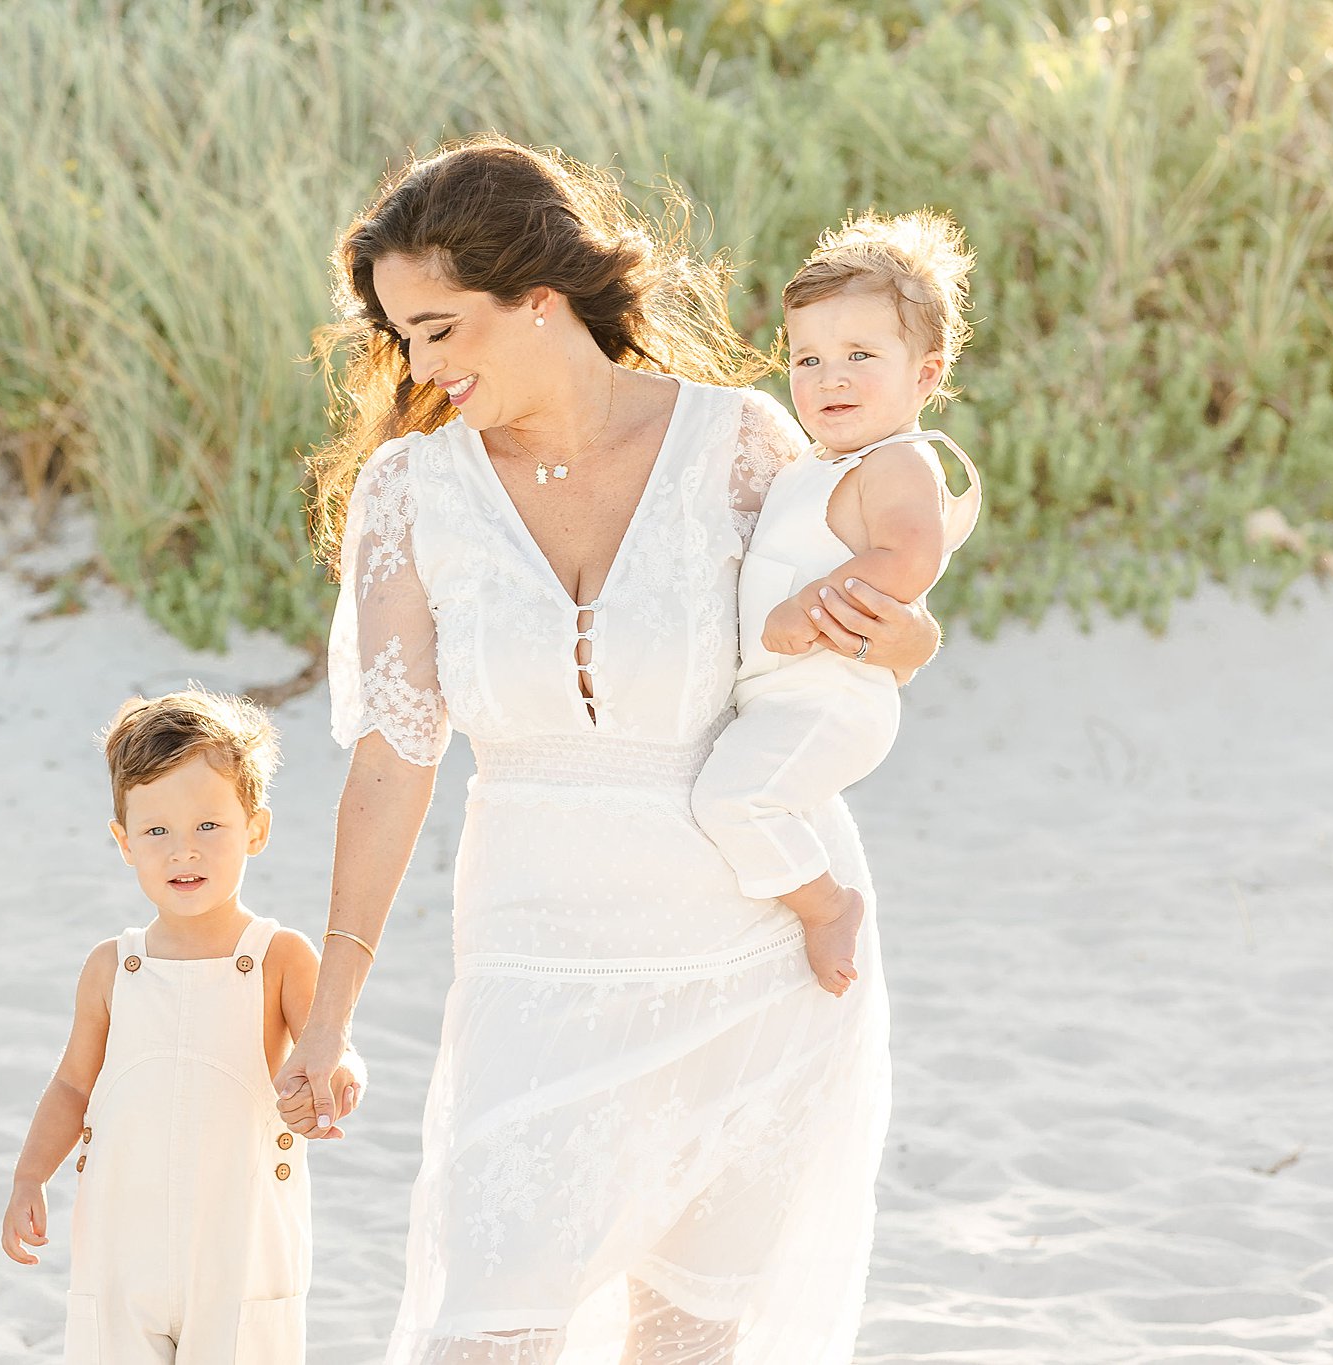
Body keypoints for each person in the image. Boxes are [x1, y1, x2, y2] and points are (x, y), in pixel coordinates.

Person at [273, 136, 943, 1364]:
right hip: (531, 971)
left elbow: (836, 652)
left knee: (687, 1342)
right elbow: (391, 764)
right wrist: (330, 1015)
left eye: (440, 328)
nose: (418, 366)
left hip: (754, 960)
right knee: (486, 1327)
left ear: (539, 300)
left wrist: (905, 642)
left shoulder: (740, 445)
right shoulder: (410, 492)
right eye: (400, 339)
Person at [1, 689, 364, 1364]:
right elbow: (72, 1086)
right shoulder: (112, 967)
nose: (182, 851)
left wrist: (337, 1078)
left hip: (240, 1254)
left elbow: (332, 1045)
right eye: (157, 831)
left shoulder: (277, 957)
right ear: (124, 841)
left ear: (255, 828)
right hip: (122, 1252)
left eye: (208, 826)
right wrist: (30, 1176)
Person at [692, 210, 983, 997]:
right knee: (737, 792)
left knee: (732, 797)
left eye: (861, 355)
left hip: (833, 699)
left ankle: (827, 908)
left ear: (926, 375)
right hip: (789, 694)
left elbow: (909, 557)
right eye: (809, 358)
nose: (830, 378)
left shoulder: (899, 464)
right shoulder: (817, 466)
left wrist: (812, 606)